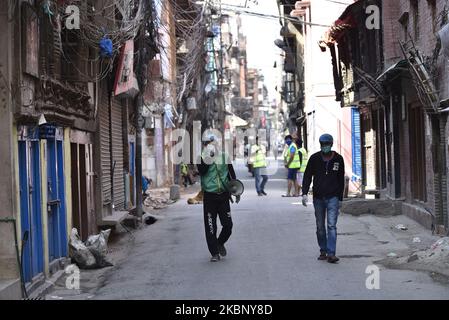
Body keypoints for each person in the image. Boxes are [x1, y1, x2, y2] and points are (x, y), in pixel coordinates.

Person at [301, 133, 345, 264]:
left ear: (331, 145)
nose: (325, 147)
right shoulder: (314, 159)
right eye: (323, 145)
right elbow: (308, 176)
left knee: (331, 225)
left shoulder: (338, 159)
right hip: (318, 198)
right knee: (320, 226)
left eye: (327, 144)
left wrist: (341, 198)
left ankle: (331, 253)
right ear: (320, 145)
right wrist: (304, 193)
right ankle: (323, 250)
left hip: (333, 197)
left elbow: (341, 179)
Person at [198, 134, 240, 262]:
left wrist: (236, 191)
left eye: (213, 143)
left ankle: (219, 242)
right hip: (209, 196)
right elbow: (202, 171)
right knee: (211, 226)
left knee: (228, 225)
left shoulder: (224, 156)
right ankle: (214, 253)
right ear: (205, 145)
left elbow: (231, 174)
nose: (211, 145)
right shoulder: (200, 157)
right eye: (208, 143)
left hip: (223, 195)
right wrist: (208, 157)